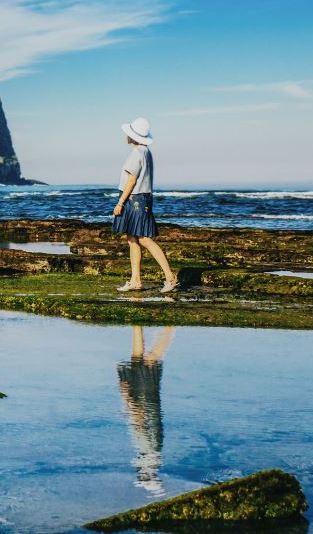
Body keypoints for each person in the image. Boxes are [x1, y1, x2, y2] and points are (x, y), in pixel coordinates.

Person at [112, 117, 178, 293]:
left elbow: (131, 180)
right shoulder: (145, 151)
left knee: (144, 239)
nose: (126, 136)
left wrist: (120, 202)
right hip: (143, 198)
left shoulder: (136, 153)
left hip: (135, 199)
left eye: (128, 133)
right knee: (132, 239)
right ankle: (135, 280)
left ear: (133, 137)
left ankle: (170, 277)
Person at [117, 325, 175, 493]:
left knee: (139, 359)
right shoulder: (148, 449)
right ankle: (170, 327)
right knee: (149, 360)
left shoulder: (154, 449)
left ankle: (139, 318)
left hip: (150, 400)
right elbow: (139, 418)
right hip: (145, 399)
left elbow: (141, 420)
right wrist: (127, 396)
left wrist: (128, 399)